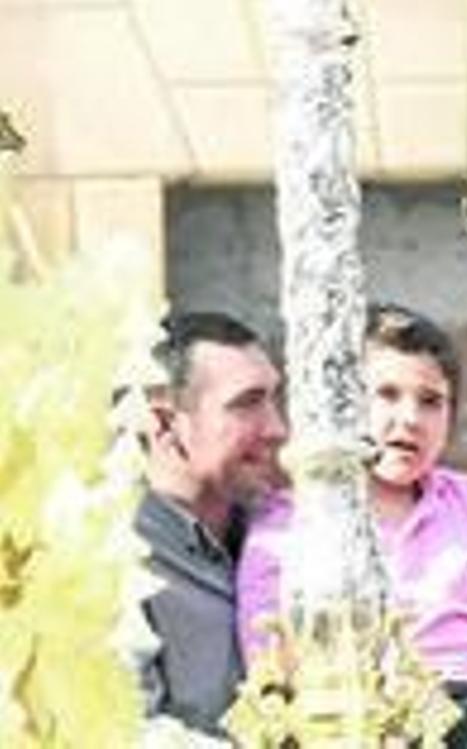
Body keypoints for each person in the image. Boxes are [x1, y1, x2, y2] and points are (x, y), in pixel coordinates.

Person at [236, 302, 467, 748]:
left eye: (430, 402)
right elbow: (265, 665)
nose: (410, 419)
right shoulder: (286, 524)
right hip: (356, 722)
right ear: (341, 405)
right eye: (385, 394)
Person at [137, 308, 288, 735]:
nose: (277, 428)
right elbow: (122, 732)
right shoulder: (108, 559)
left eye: (274, 399)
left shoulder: (292, 534)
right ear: (165, 423)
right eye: (247, 404)